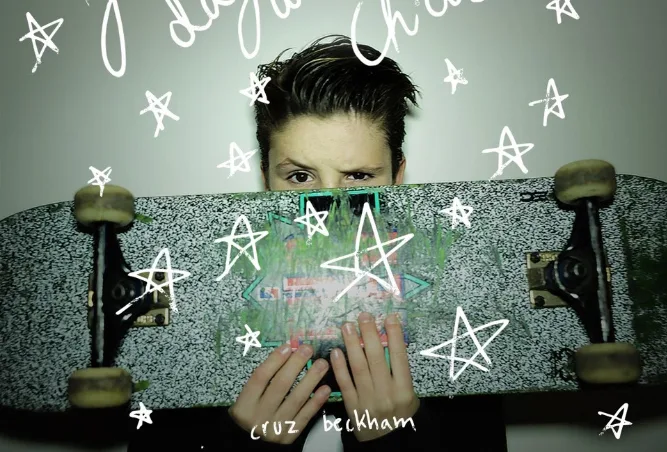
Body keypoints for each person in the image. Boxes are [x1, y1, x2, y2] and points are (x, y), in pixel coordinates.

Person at [128, 35, 507, 452]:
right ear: (265, 178)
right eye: (300, 177)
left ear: (397, 178)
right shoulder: (192, 322)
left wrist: (395, 440)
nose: (328, 212)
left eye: (358, 176)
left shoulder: (459, 326)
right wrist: (241, 443)